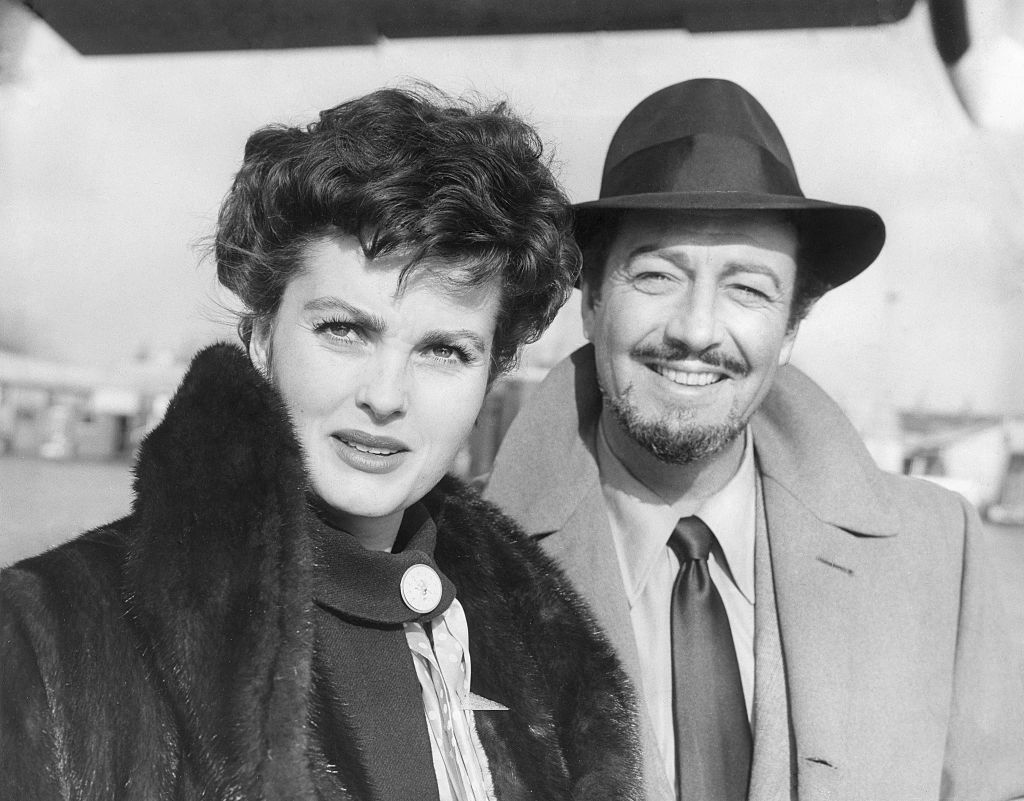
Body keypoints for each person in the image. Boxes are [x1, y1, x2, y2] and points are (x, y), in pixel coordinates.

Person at [0, 87, 641, 801]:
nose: (386, 393)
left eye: (444, 351)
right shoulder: (46, 638)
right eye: (344, 329)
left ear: (493, 371)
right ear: (263, 332)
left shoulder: (542, 652)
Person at [484, 78, 1024, 800]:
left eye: (748, 289)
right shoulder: (465, 565)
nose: (697, 329)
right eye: (657, 274)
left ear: (790, 329)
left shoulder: (942, 556)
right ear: (590, 301)